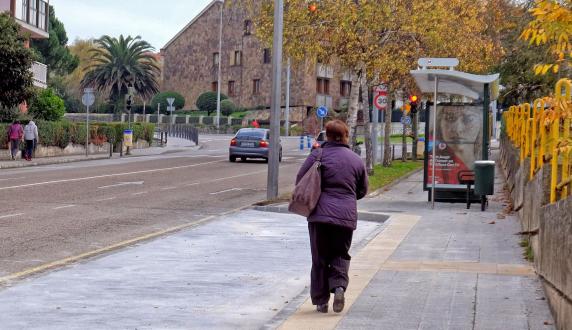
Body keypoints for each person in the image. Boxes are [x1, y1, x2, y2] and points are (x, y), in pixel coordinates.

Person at [295, 119, 368, 314]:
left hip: (319, 216)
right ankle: (338, 288)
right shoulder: (355, 160)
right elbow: (362, 190)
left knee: (319, 258)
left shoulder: (318, 155)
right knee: (341, 254)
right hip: (346, 216)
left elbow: (301, 180)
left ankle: (321, 302)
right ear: (345, 136)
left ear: (327, 136)